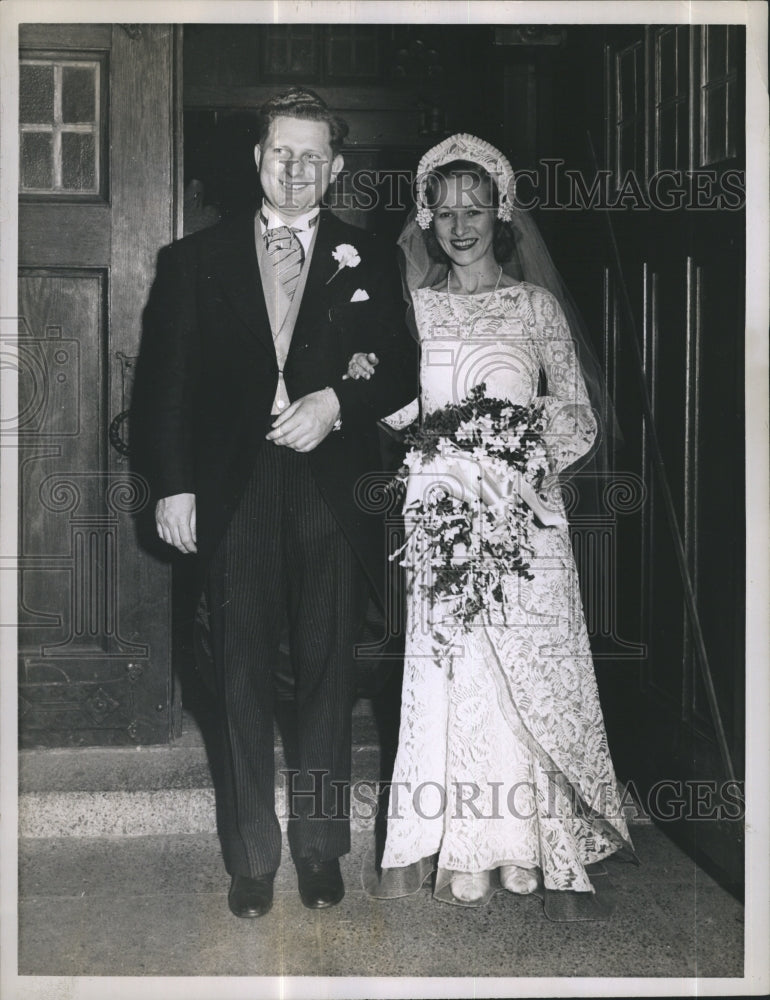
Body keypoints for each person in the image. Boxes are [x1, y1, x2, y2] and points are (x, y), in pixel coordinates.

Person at [132, 88, 417, 919]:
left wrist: (336, 404)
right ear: (258, 160)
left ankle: (322, 850)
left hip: (330, 489)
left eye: (312, 156)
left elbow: (398, 371)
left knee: (330, 673)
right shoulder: (193, 260)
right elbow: (164, 389)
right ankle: (252, 856)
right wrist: (173, 485)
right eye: (279, 153)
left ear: (335, 167)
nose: (295, 170)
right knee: (241, 671)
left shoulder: (371, 257)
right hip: (234, 488)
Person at [347, 134, 634, 917]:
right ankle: (465, 843)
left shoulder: (535, 307)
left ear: (501, 215)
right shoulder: (418, 307)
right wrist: (378, 385)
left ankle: (526, 844)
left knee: (524, 677)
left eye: (476, 209)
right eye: (447, 211)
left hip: (524, 515)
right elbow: (408, 410)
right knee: (457, 673)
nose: (461, 224)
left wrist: (525, 460)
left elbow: (574, 409)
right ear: (426, 218)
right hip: (441, 508)